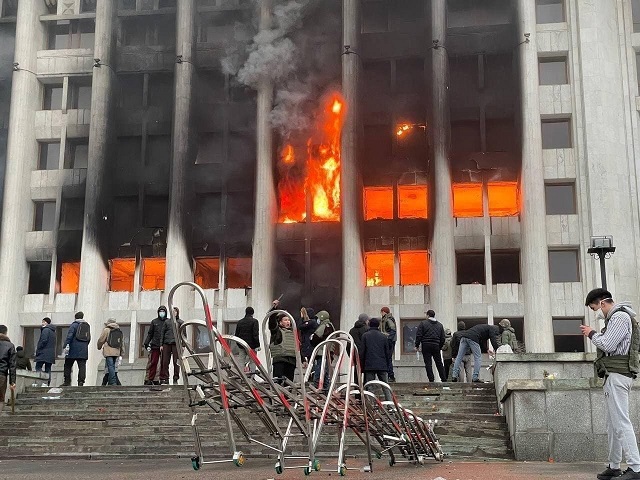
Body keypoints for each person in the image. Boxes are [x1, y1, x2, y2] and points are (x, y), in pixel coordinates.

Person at [581, 288, 640, 480]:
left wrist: (591, 334)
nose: (597, 312)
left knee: (621, 421)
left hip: (618, 373)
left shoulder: (619, 317)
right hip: (614, 374)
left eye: (595, 308)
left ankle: (636, 468)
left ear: (602, 303)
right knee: (613, 423)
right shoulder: (618, 318)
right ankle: (614, 465)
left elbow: (608, 345)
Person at [361, 318, 392, 401]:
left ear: (369, 325)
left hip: (369, 365)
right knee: (385, 386)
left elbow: (362, 352)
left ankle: (371, 405)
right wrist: (387, 364)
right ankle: (390, 405)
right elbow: (387, 352)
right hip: (382, 365)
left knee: (370, 386)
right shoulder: (383, 336)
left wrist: (362, 365)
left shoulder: (365, 336)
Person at [414, 310, 446, 382]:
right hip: (436, 345)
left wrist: (417, 345)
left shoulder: (423, 323)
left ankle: (431, 380)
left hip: (426, 345)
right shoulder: (440, 325)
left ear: (428, 315)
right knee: (439, 363)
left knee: (428, 363)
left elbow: (419, 335)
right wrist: (439, 346)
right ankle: (443, 379)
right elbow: (443, 338)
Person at [62, 311, 91, 387]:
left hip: (73, 349)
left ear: (75, 317)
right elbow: (88, 338)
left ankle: (67, 381)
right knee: (82, 366)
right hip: (83, 349)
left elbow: (69, 336)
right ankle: (81, 382)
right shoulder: (87, 326)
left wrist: (65, 345)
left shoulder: (74, 325)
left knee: (68, 365)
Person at [310, 310, 335, 392]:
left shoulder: (324, 326)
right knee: (325, 373)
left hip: (322, 352)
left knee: (320, 372)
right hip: (328, 352)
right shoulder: (330, 326)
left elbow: (316, 336)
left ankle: (319, 389)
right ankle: (325, 390)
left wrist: (312, 338)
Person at [268, 312, 297, 383]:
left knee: (289, 382)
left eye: (288, 320)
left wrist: (303, 360)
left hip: (291, 360)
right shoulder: (276, 331)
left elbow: (296, 346)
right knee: (278, 380)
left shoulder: (293, 333)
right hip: (280, 359)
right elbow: (272, 322)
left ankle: (287, 394)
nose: (288, 322)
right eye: (285, 320)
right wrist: (274, 310)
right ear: (280, 322)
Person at [143, 306, 167, 386]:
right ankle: (150, 378)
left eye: (163, 311)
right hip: (155, 345)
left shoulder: (168, 321)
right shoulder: (154, 322)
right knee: (153, 363)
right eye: (160, 311)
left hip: (165, 345)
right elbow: (150, 334)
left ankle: (163, 379)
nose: (162, 313)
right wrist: (146, 343)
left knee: (164, 363)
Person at [97, 318, 125, 386]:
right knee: (113, 367)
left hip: (109, 351)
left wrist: (99, 346)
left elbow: (101, 340)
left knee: (110, 366)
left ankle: (112, 381)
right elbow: (122, 343)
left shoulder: (106, 330)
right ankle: (111, 382)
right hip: (116, 351)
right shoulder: (119, 331)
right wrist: (122, 352)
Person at [160, 306, 184, 384]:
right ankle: (166, 378)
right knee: (165, 362)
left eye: (175, 311)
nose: (174, 313)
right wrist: (161, 344)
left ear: (177, 312)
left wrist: (183, 345)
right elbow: (162, 333)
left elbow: (184, 335)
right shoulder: (167, 322)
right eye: (172, 311)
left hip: (176, 344)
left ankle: (176, 377)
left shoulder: (180, 322)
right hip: (166, 343)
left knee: (176, 362)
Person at [233, 306, 261, 374]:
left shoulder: (240, 322)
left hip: (242, 345)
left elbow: (236, 334)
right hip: (252, 346)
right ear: (252, 313)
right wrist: (257, 345)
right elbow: (255, 334)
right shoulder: (254, 321)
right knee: (252, 361)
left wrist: (239, 344)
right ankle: (252, 376)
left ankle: (241, 376)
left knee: (241, 361)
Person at [0, 325, 16, 413]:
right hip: (1, 375)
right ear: (6, 333)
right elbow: (12, 365)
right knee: (1, 398)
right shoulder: (10, 345)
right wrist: (12, 381)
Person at [35, 317, 55, 386]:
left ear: (46, 322)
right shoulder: (53, 331)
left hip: (43, 352)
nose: (42, 323)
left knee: (38, 367)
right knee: (48, 368)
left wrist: (38, 348)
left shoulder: (46, 330)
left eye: (43, 322)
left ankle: (41, 380)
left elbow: (43, 340)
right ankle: (47, 382)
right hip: (50, 354)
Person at [380, 307, 397, 382]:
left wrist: (388, 338)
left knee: (388, 358)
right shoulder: (386, 319)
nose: (381, 313)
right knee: (387, 358)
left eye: (381, 312)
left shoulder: (388, 319)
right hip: (389, 340)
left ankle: (391, 376)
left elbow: (393, 330)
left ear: (384, 312)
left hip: (389, 341)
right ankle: (390, 375)